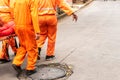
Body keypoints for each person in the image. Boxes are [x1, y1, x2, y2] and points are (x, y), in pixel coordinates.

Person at [11, 0, 40, 77]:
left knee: (23, 46)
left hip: (18, 26)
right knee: (32, 47)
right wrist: (37, 30)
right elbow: (34, 15)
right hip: (27, 27)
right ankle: (31, 68)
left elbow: (13, 12)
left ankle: (16, 62)